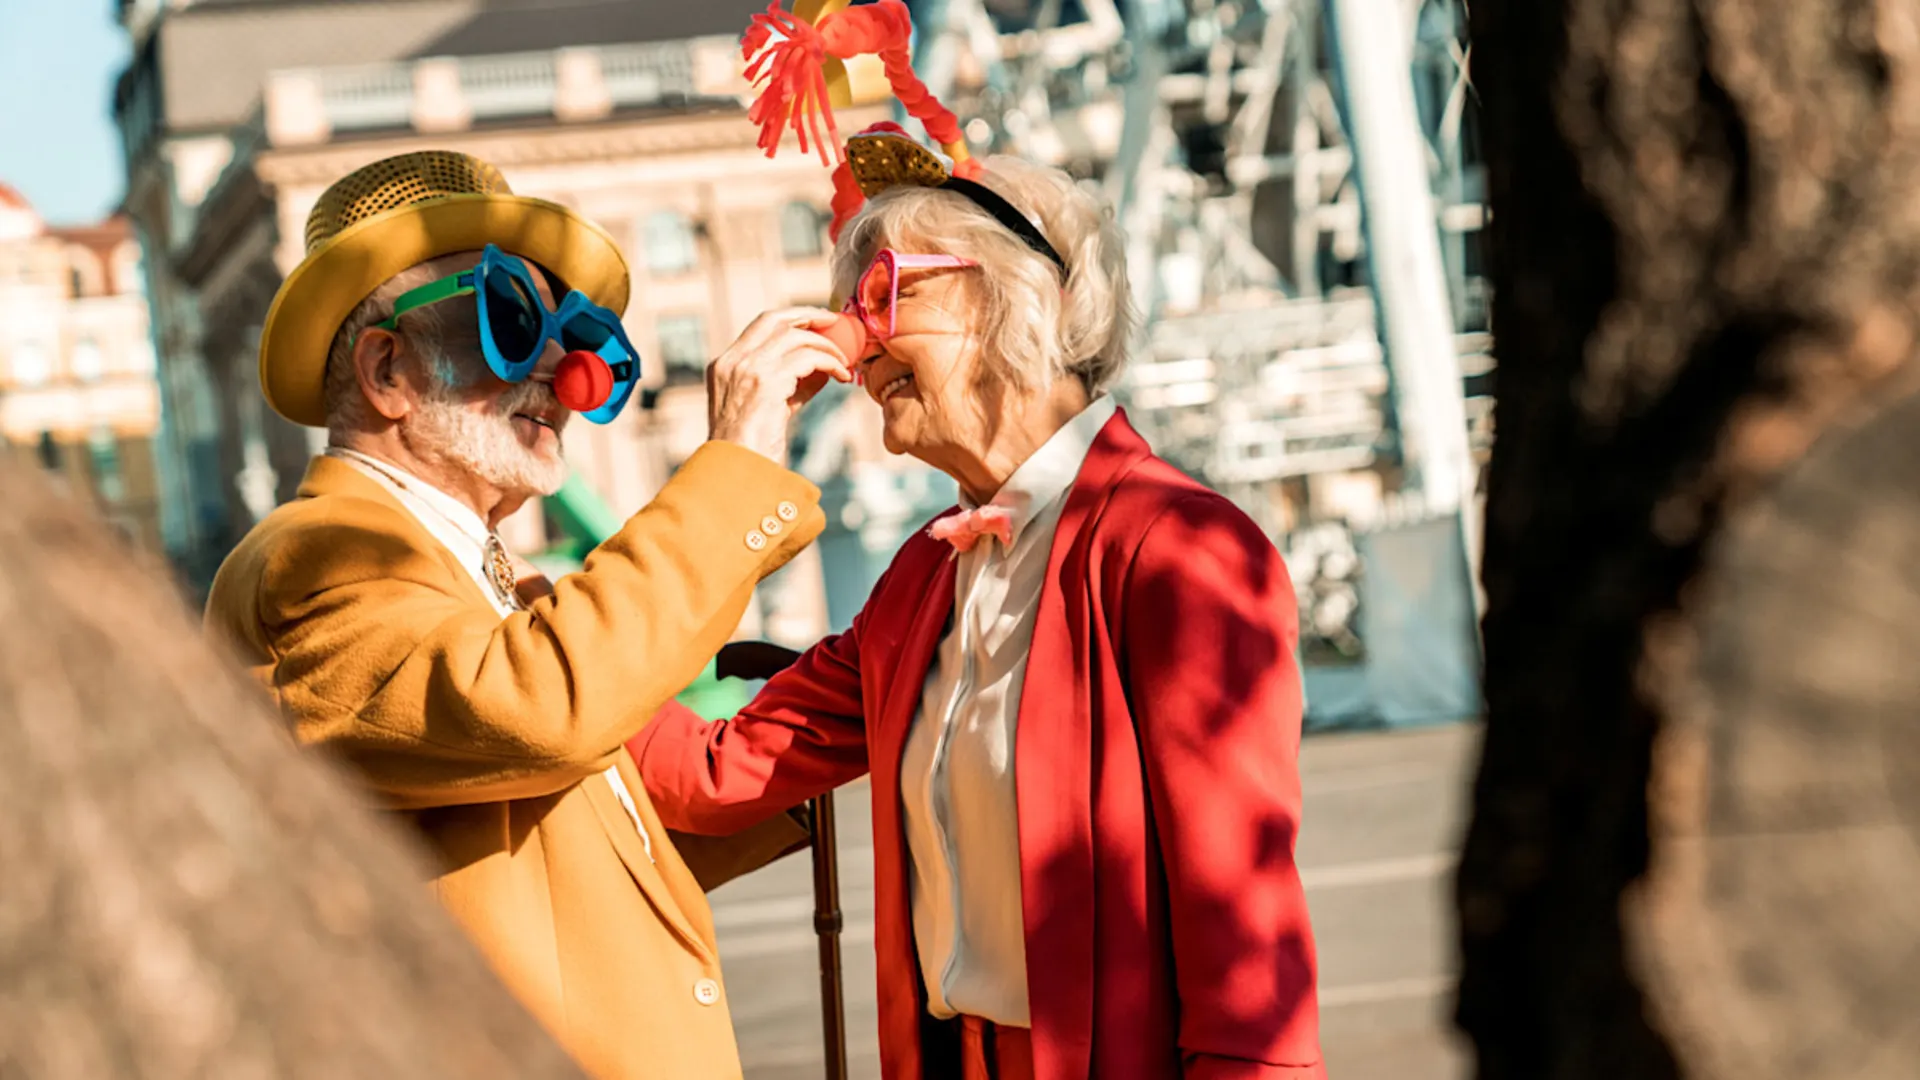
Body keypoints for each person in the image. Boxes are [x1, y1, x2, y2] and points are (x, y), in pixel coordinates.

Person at [635, 8, 1325, 1073]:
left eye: (881, 296)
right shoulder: (925, 573)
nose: (854, 348)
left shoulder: (1175, 547)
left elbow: (1248, 943)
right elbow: (715, 772)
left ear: (1016, 297)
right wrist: (520, 631)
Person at [204, 150, 852, 1080]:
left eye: (581, 333)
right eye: (510, 320)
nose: (565, 368)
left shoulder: (486, 586)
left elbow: (665, 799)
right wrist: (734, 466)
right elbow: (540, 709)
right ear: (387, 369)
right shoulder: (311, 561)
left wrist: (908, 648)